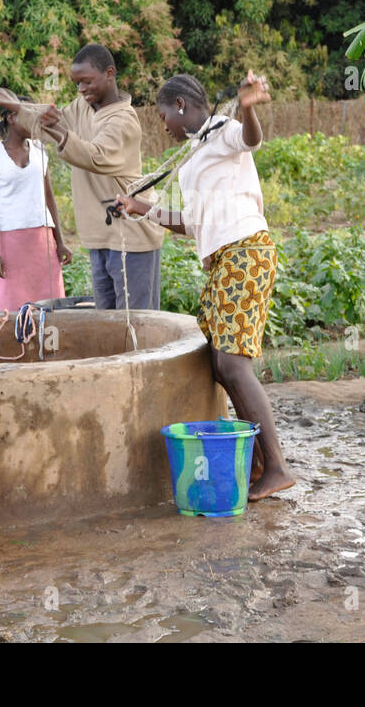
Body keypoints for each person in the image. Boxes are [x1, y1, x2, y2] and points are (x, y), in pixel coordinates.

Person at [114, 70, 295, 501]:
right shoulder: (196, 151)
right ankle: (253, 463)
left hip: (245, 252)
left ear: (180, 106)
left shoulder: (223, 130)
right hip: (223, 260)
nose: (163, 126)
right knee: (219, 364)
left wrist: (247, 107)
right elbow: (193, 224)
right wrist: (140, 207)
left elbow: (251, 139)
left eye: (162, 116)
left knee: (232, 366)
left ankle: (277, 467)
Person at [0, 44, 164, 310]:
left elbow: (94, 156)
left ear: (110, 73)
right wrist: (7, 103)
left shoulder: (123, 120)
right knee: (107, 325)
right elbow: (47, 120)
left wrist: (59, 131)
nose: (81, 90)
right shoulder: (83, 108)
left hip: (130, 238)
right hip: (99, 237)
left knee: (137, 326)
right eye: (77, 84)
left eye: (87, 82)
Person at [0, 91, 71, 311]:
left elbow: (49, 197)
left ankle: (48, 346)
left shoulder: (40, 151)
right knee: (11, 310)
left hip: (43, 243)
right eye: (29, 115)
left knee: (49, 309)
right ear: (11, 118)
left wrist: (59, 241)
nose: (35, 121)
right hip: (11, 246)